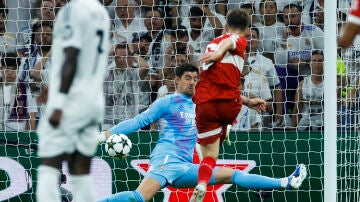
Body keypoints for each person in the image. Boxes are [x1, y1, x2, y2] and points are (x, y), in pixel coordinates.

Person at [97, 63, 307, 202]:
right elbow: (138, 121)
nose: (192, 82)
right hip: (166, 162)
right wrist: (104, 135)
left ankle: (285, 182)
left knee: (232, 174)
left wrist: (249, 102)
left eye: (195, 78)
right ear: (176, 80)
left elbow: (224, 95)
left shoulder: (201, 102)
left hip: (185, 166)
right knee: (138, 198)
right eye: (187, 78)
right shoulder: (167, 102)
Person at [190, 8, 273, 201]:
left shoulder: (210, 45)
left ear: (226, 25)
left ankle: (202, 182)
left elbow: (226, 42)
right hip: (230, 103)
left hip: (205, 104)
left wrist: (216, 52)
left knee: (208, 155)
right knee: (216, 145)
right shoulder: (239, 39)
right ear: (246, 30)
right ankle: (225, 127)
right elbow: (231, 40)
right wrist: (220, 52)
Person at [36, 0, 110, 202]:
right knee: (80, 171)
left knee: (49, 166)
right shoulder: (100, 12)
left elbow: (72, 56)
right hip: (93, 99)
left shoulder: (74, 12)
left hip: (72, 100)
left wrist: (58, 102)